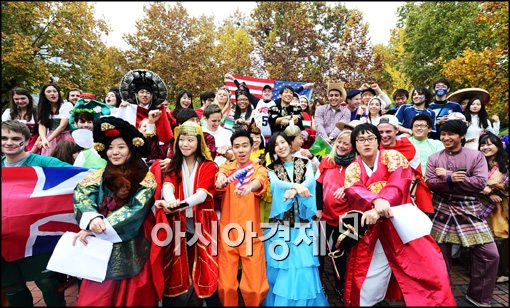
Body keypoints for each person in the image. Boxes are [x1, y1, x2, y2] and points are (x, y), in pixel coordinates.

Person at [342, 123, 455, 306]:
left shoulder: (393, 157)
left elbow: (399, 183)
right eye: (361, 139)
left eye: (370, 138)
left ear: (378, 141)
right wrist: (375, 202)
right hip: (373, 229)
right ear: (355, 145)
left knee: (427, 268)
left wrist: (381, 201)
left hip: (402, 223)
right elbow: (354, 190)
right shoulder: (353, 169)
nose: (366, 143)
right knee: (368, 274)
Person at [72, 116, 158, 306]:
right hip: (99, 247)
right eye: (110, 148)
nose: (115, 152)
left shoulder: (146, 178)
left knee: (131, 298)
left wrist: (101, 227)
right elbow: (82, 193)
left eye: (121, 147)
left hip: (132, 246)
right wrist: (92, 217)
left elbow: (136, 208)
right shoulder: (99, 175)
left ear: (131, 149)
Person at [426, 119, 499, 307]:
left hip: (469, 207)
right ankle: (441, 297)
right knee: (440, 255)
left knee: (489, 254)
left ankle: (478, 296)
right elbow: (431, 183)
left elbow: (480, 183)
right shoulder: (435, 157)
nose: (445, 138)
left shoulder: (476, 157)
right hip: (441, 206)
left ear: (462, 136)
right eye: (443, 134)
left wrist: (451, 177)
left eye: (450, 134)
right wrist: (451, 179)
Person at [2, 120, 70, 307]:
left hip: (36, 238)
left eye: (15, 138)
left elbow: (78, 176)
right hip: (5, 239)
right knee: (12, 286)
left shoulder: (43, 162)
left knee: (48, 283)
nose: (9, 142)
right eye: (4, 138)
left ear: (25, 141)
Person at [152, 121, 219, 306]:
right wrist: (169, 200)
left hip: (204, 224)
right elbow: (168, 185)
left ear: (199, 143)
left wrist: (175, 205)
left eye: (190, 140)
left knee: (208, 266)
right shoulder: (174, 165)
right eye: (182, 140)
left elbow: (201, 195)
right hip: (179, 224)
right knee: (174, 268)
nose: (185, 144)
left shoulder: (209, 166)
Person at [262, 132, 329, 306]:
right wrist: (296, 187)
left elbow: (310, 182)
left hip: (301, 224)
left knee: (303, 267)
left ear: (289, 143)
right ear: (273, 149)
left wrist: (296, 189)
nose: (281, 147)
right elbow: (276, 184)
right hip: (280, 225)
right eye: (276, 145)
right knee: (279, 267)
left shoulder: (304, 163)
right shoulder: (270, 168)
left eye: (283, 142)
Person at [215, 130, 270, 306]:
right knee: (226, 286)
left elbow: (260, 181)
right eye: (237, 146)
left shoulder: (259, 169)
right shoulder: (226, 167)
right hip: (228, 231)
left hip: (251, 232)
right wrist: (221, 179)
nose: (241, 150)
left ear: (252, 147)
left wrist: (250, 187)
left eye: (244, 145)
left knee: (255, 286)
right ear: (232, 148)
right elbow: (220, 176)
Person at [316, 130, 355, 301]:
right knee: (320, 252)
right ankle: (319, 284)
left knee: (341, 255)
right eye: (339, 141)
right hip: (325, 216)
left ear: (353, 146)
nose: (341, 145)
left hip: (348, 219)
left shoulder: (356, 165)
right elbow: (318, 186)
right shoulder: (326, 161)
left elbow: (362, 188)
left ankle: (341, 287)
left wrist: (348, 189)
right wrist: (318, 209)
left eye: (346, 143)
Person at [377, 115, 434, 215]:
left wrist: (411, 198)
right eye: (380, 132)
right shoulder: (375, 146)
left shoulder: (407, 146)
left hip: (408, 189)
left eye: (388, 131)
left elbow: (414, 175)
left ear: (396, 130)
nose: (384, 135)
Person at [478, 132, 508, 284]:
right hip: (480, 206)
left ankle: (502, 272)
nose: (485, 147)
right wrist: (488, 193)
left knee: (502, 239)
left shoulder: (506, 164)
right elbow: (471, 183)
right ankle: (483, 272)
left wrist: (496, 190)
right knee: (482, 240)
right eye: (483, 144)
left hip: (501, 208)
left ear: (498, 146)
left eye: (489, 144)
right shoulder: (476, 163)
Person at [37, 83, 74, 156]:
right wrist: (44, 139)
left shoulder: (66, 105)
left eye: (55, 91)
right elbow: (42, 125)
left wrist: (47, 140)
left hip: (65, 137)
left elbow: (62, 126)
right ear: (44, 95)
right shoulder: (43, 108)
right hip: (50, 137)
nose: (52, 93)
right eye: (49, 92)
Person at [2, 87, 40, 152]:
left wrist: (33, 150)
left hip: (33, 144)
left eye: (23, 98)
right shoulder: (9, 113)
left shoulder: (37, 112)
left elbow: (42, 133)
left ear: (29, 98)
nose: (20, 101)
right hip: (13, 144)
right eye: (16, 99)